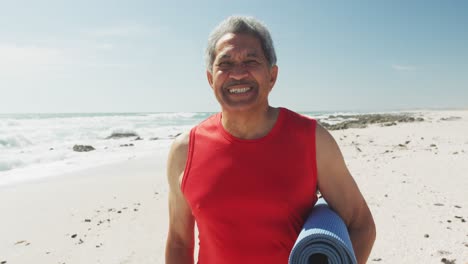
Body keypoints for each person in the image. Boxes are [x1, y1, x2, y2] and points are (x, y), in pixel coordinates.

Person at [165, 16, 376, 264]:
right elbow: (179, 241)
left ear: (272, 76)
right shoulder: (184, 151)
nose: (238, 73)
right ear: (211, 78)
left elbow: (361, 225)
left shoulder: (312, 140)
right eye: (226, 63)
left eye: (251, 61)